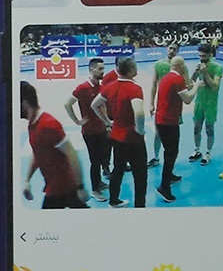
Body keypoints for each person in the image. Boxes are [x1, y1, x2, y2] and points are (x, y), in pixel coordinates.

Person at [92, 55, 149, 208]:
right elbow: (139, 113)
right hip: (133, 139)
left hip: (117, 136)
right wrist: (140, 130)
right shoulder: (135, 89)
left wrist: (107, 122)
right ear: (131, 70)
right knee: (140, 175)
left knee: (118, 170)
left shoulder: (110, 86)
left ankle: (113, 200)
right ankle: (140, 206)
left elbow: (94, 105)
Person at [21, 82, 87, 208]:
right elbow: (37, 151)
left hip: (64, 188)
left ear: (24, 104)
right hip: (54, 187)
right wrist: (27, 181)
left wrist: (80, 187)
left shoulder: (48, 124)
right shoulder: (33, 124)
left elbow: (72, 154)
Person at [65, 56, 111, 199]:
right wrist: (77, 121)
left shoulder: (102, 87)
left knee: (102, 158)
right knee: (95, 161)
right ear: (92, 70)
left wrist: (107, 123)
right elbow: (67, 104)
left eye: (103, 68)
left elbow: (103, 107)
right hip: (90, 132)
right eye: (100, 69)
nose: (103, 71)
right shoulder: (83, 88)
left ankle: (99, 182)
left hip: (102, 129)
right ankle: (95, 190)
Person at [149, 55, 191, 202]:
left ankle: (170, 175)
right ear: (180, 66)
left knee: (170, 150)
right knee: (171, 152)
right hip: (169, 122)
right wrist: (198, 86)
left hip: (162, 119)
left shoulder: (166, 78)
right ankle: (164, 186)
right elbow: (188, 99)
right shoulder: (177, 79)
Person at [189, 41, 222, 166]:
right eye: (200, 56)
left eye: (204, 56)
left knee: (209, 129)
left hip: (211, 104)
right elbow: (190, 83)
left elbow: (215, 86)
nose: (201, 58)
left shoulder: (217, 67)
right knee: (196, 128)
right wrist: (195, 72)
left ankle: (208, 153)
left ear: (210, 54)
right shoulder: (199, 66)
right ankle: (197, 150)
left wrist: (205, 73)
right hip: (199, 102)